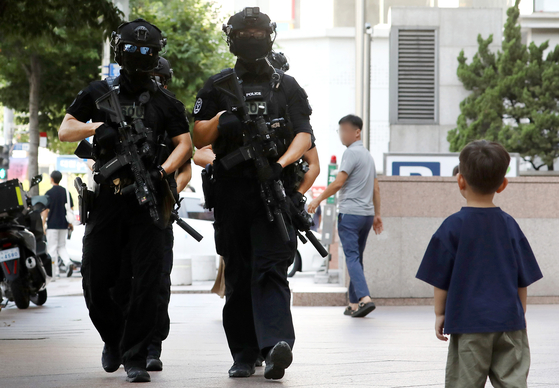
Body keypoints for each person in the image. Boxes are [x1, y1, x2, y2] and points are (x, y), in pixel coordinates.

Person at [58, 19, 191, 383]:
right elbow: (65, 128)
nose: (140, 57)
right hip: (107, 200)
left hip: (146, 201)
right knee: (95, 280)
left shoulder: (165, 102)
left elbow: (185, 144)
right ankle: (113, 339)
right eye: (134, 50)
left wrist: (162, 172)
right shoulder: (99, 91)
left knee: (148, 282)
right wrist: (97, 128)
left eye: (147, 52)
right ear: (121, 52)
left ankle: (135, 356)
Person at [192, 7, 314, 380]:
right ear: (232, 38)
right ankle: (243, 354)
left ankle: (276, 345)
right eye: (244, 33)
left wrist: (281, 165)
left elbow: (304, 136)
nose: (251, 37)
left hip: (272, 191)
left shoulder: (287, 86)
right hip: (231, 195)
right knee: (240, 274)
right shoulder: (217, 85)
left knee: (272, 269)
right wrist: (221, 120)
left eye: (258, 32)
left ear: (270, 35)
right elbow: (198, 136)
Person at [416, 140, 542, 388]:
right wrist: (519, 313)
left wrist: (441, 313)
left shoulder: (452, 226)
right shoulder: (510, 225)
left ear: (460, 180)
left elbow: (441, 280)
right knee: (513, 381)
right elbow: (522, 279)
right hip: (509, 323)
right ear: (503, 184)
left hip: (468, 323)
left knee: (464, 382)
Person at [308, 114, 383, 318]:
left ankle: (365, 299)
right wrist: (377, 215)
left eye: (345, 130)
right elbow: (376, 188)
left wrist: (317, 199)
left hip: (350, 214)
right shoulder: (368, 155)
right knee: (356, 258)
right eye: (340, 131)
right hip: (366, 216)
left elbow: (339, 182)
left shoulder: (350, 153)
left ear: (357, 132)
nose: (342, 135)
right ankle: (352, 304)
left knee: (351, 257)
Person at [42, 170, 74, 279]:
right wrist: (70, 223)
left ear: (51, 179)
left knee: (52, 249)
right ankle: (68, 263)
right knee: (62, 246)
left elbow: (45, 210)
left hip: (52, 225)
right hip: (64, 224)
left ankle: (54, 273)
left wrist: (43, 224)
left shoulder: (49, 193)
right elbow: (70, 209)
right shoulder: (66, 192)